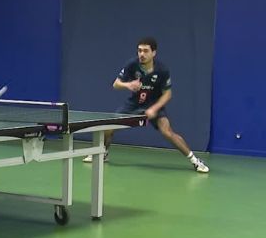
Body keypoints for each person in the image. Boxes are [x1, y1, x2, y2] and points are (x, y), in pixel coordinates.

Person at [84, 37, 210, 173]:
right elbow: (116, 84)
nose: (142, 54)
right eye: (139, 51)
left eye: (145, 51)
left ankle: (195, 161)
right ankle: (103, 153)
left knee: (167, 132)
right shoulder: (132, 64)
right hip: (134, 104)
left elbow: (167, 94)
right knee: (109, 127)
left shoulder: (162, 70)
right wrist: (128, 85)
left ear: (153, 53)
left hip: (154, 104)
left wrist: (154, 109)